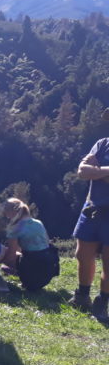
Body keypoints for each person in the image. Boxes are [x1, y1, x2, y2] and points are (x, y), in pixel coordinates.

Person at [70, 130, 109, 319]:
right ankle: (83, 296)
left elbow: (90, 172)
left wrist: (97, 171)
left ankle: (102, 303)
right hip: (92, 208)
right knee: (83, 254)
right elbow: (82, 172)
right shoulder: (102, 143)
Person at [2, 197, 59, 292]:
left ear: (11, 212)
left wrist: (0, 260)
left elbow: (11, 255)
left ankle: (21, 274)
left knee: (2, 253)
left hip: (31, 273)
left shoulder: (15, 228)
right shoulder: (38, 223)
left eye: (6, 211)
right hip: (49, 269)